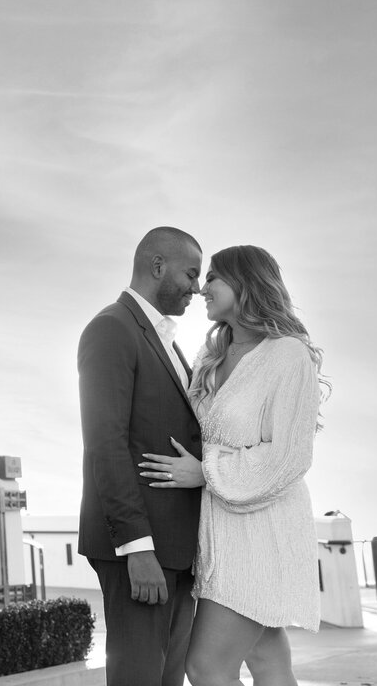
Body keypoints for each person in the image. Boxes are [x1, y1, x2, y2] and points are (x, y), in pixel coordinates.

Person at [140, 244, 326, 686]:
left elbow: (289, 458)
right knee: (269, 664)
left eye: (212, 278)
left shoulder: (288, 356)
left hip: (263, 536)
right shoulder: (210, 358)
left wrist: (204, 472)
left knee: (206, 667)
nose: (200, 288)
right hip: (218, 535)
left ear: (244, 285)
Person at [77, 226, 204, 686]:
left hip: (177, 551)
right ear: (157, 265)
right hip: (143, 550)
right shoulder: (111, 328)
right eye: (191, 274)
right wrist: (137, 549)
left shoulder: (166, 338)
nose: (197, 287)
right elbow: (105, 443)